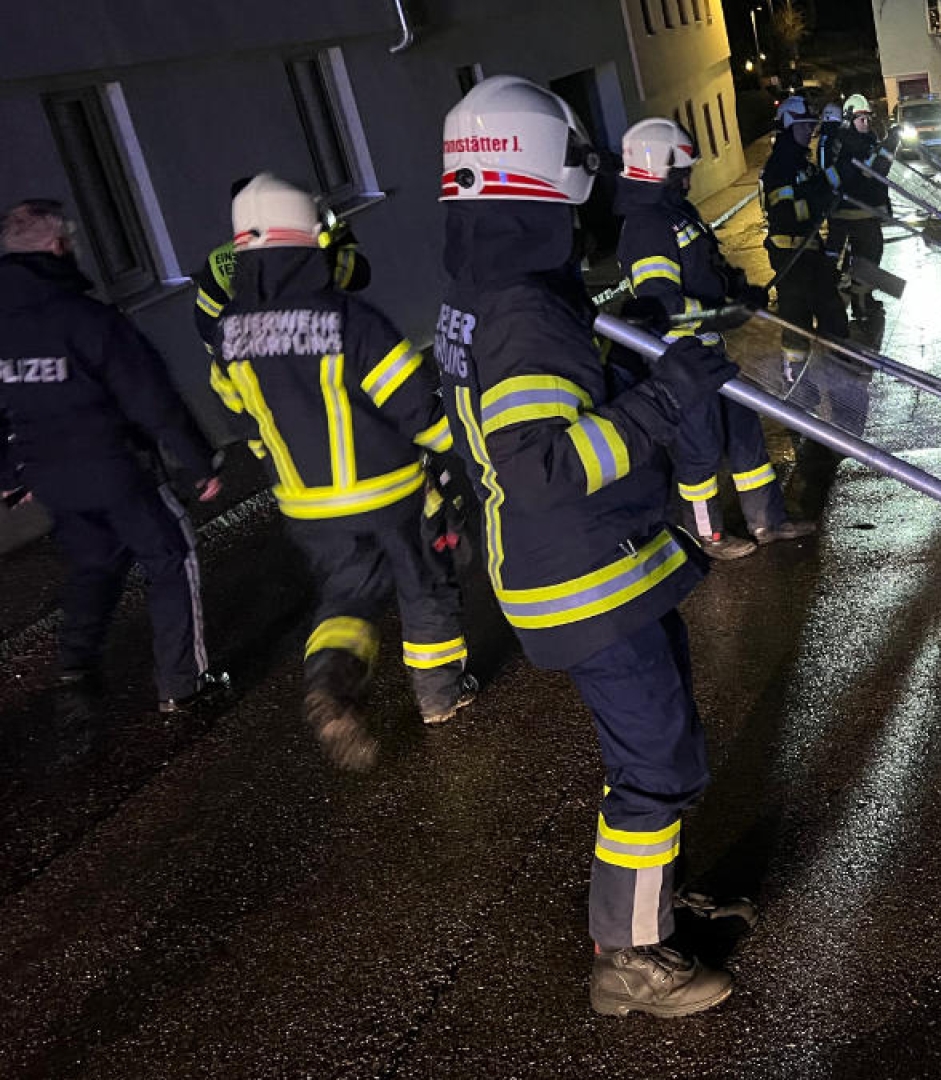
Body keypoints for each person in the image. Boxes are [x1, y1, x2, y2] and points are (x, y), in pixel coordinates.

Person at [436, 75, 738, 1018]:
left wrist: (629, 347)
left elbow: (549, 395)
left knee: (664, 743)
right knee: (657, 765)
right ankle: (630, 958)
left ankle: (649, 903)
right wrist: (665, 400)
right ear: (541, 172)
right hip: (584, 575)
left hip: (599, 564)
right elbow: (542, 466)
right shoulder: (522, 306)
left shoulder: (489, 290)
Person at [209, 174, 472, 768]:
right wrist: (460, 447)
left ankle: (330, 683)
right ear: (308, 238)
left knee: (348, 596)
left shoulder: (227, 333)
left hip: (306, 505)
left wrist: (280, 465)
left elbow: (241, 418)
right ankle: (438, 696)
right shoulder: (350, 320)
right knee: (425, 583)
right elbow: (413, 406)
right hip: (389, 494)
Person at [0, 199, 224, 711]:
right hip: (116, 470)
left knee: (94, 559)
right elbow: (151, 397)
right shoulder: (89, 320)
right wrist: (198, 462)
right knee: (172, 557)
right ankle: (182, 684)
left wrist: (10, 473)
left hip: (48, 475)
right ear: (58, 246)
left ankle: (75, 664)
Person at [615, 116, 816, 555]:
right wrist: (721, 315)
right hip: (678, 359)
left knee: (745, 433)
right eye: (682, 172)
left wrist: (737, 290)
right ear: (659, 168)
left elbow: (707, 267)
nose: (688, 181)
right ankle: (707, 534)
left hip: (709, 351)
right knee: (700, 449)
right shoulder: (647, 225)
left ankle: (768, 521)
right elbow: (662, 305)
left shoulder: (675, 212)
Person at [192, 178, 369, 354]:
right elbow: (359, 276)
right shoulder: (302, 245)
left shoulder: (219, 261)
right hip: (314, 348)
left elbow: (209, 332)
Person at [760, 94, 848, 383]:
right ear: (788, 126)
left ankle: (841, 371)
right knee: (797, 320)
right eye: (805, 125)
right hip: (789, 257)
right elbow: (786, 213)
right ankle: (797, 381)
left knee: (832, 310)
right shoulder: (779, 167)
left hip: (811, 251)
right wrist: (816, 201)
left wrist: (832, 185)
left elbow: (821, 190)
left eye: (812, 125)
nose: (810, 130)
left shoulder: (803, 164)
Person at [823, 93, 897, 322]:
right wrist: (892, 143)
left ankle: (864, 299)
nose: (865, 123)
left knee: (868, 257)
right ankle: (861, 305)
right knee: (868, 257)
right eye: (861, 119)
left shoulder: (864, 139)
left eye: (867, 118)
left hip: (865, 211)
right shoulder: (850, 141)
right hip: (857, 212)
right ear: (849, 120)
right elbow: (874, 170)